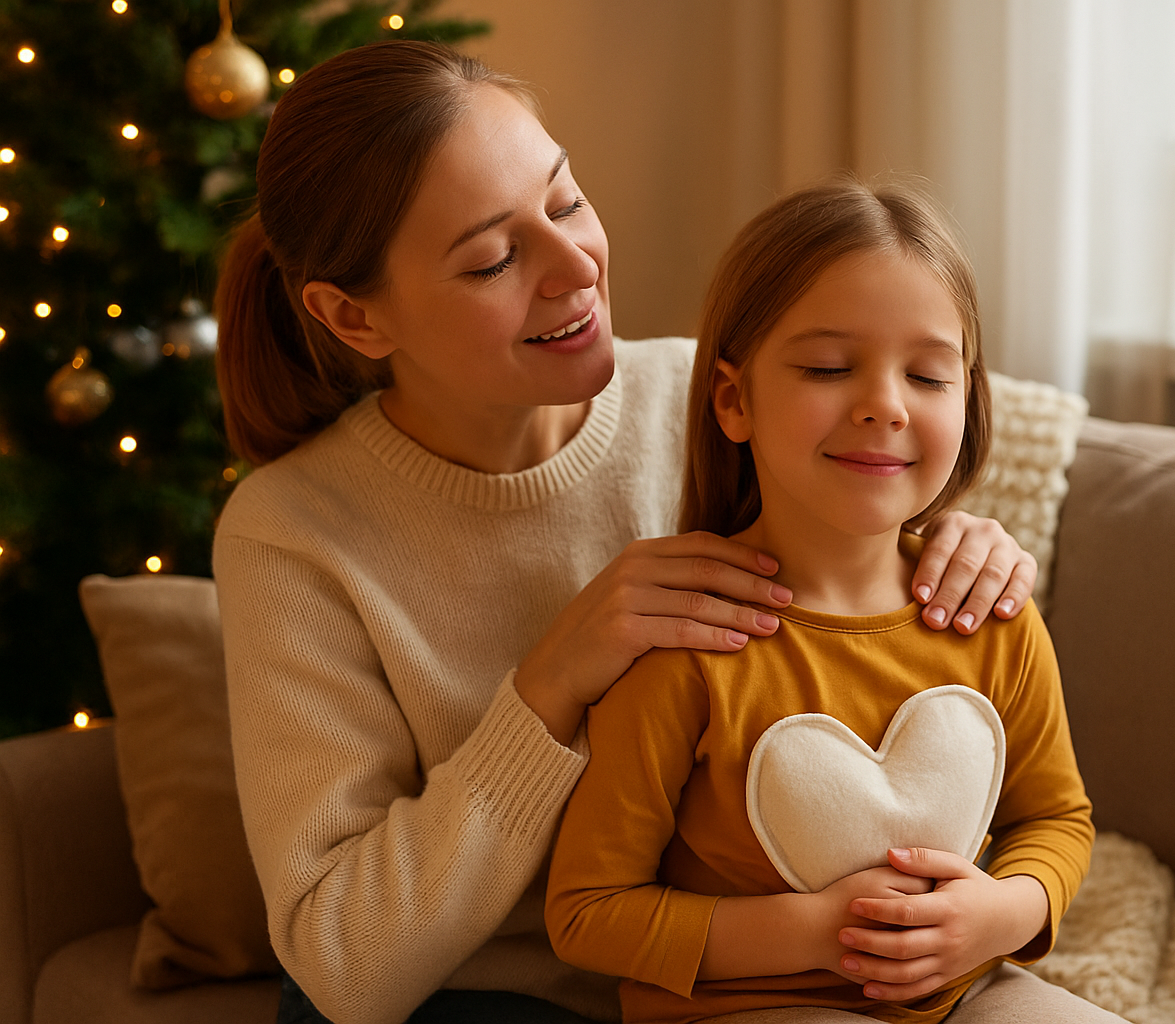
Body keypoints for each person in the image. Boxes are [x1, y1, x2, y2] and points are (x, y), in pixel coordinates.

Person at [211, 41, 1039, 1024]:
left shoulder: (703, 395)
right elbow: (345, 964)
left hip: (754, 969)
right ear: (353, 316)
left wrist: (951, 546)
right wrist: (553, 682)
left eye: (564, 202)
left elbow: (854, 595)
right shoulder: (292, 531)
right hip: (488, 994)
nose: (575, 268)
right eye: (493, 258)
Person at [543, 180, 1113, 1024]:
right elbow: (588, 914)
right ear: (734, 401)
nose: (884, 404)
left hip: (968, 992)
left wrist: (1001, 913)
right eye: (828, 368)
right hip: (745, 1006)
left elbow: (1057, 819)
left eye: (927, 374)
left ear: (968, 398)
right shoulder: (687, 640)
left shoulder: (994, 618)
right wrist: (815, 932)